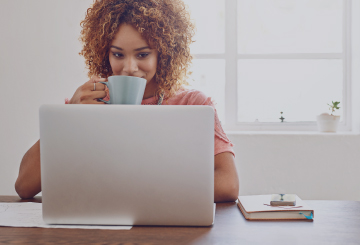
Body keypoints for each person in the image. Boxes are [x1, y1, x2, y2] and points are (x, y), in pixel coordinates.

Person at [15, 0, 239, 202]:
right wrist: (68, 117)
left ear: (164, 53)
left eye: (142, 55)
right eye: (118, 54)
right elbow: (24, 186)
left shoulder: (193, 104)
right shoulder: (89, 103)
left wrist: (138, 190)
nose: (129, 68)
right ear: (105, 54)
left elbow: (228, 185)